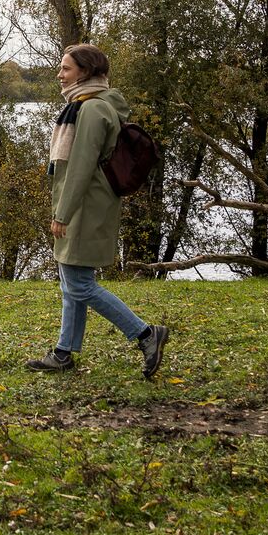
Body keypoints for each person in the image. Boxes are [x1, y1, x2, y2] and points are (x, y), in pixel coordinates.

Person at [25, 43, 170, 378]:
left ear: (86, 73)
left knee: (78, 284)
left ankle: (146, 334)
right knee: (72, 279)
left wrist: (62, 213)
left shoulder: (91, 110)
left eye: (66, 69)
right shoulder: (89, 105)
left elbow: (80, 166)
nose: (60, 75)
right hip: (87, 201)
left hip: (86, 204)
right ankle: (63, 352)